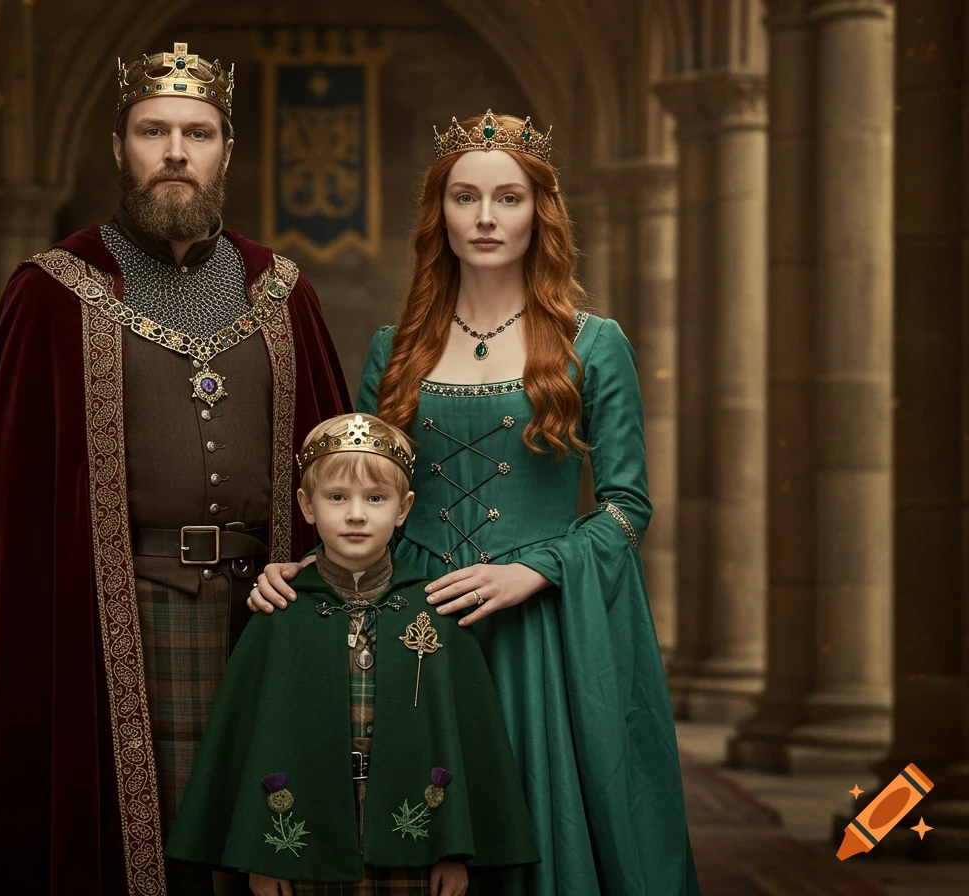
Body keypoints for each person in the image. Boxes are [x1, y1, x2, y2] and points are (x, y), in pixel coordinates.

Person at [0, 42, 351, 896]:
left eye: (198, 132)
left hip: (266, 616)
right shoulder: (49, 293)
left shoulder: (284, 292)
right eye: (153, 131)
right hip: (109, 618)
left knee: (259, 845)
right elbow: (11, 514)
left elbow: (331, 459)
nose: (176, 152)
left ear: (229, 150)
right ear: (119, 149)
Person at [251, 111, 700, 895]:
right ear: (440, 214)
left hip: (540, 628)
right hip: (414, 617)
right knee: (414, 834)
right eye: (465, 197)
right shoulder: (395, 349)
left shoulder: (594, 344)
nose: (487, 218)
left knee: (537, 826)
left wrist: (535, 572)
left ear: (540, 212)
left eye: (508, 198)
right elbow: (358, 488)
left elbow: (629, 506)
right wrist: (303, 569)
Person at [166, 413, 539, 896]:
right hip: (303, 858)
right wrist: (264, 855)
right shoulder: (280, 612)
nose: (356, 514)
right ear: (306, 505)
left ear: (403, 508)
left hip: (413, 859)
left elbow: (462, 740)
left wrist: (452, 851)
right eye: (337, 497)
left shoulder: (438, 612)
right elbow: (254, 740)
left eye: (375, 498)